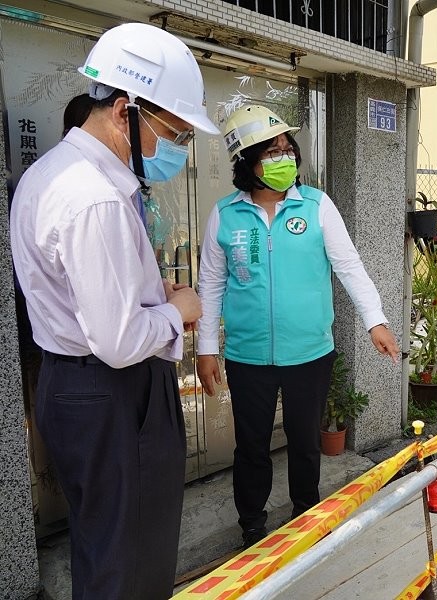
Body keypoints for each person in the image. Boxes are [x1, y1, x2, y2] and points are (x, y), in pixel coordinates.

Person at [10, 23, 219, 599]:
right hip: (114, 391)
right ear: (126, 110)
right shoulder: (94, 197)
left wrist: (161, 299)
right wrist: (181, 311)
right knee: (134, 559)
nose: (174, 146)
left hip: (78, 388)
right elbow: (121, 340)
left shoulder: (49, 175)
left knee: (104, 549)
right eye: (172, 131)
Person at [196, 104, 400, 548]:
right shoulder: (225, 215)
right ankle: (252, 524)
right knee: (251, 445)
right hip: (248, 355)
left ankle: (305, 515)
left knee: (305, 441)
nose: (284, 158)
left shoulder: (317, 205)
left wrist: (376, 321)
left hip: (309, 352)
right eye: (272, 151)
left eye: (288, 149)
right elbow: (209, 284)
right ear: (247, 161)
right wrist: (205, 345)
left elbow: (349, 266)